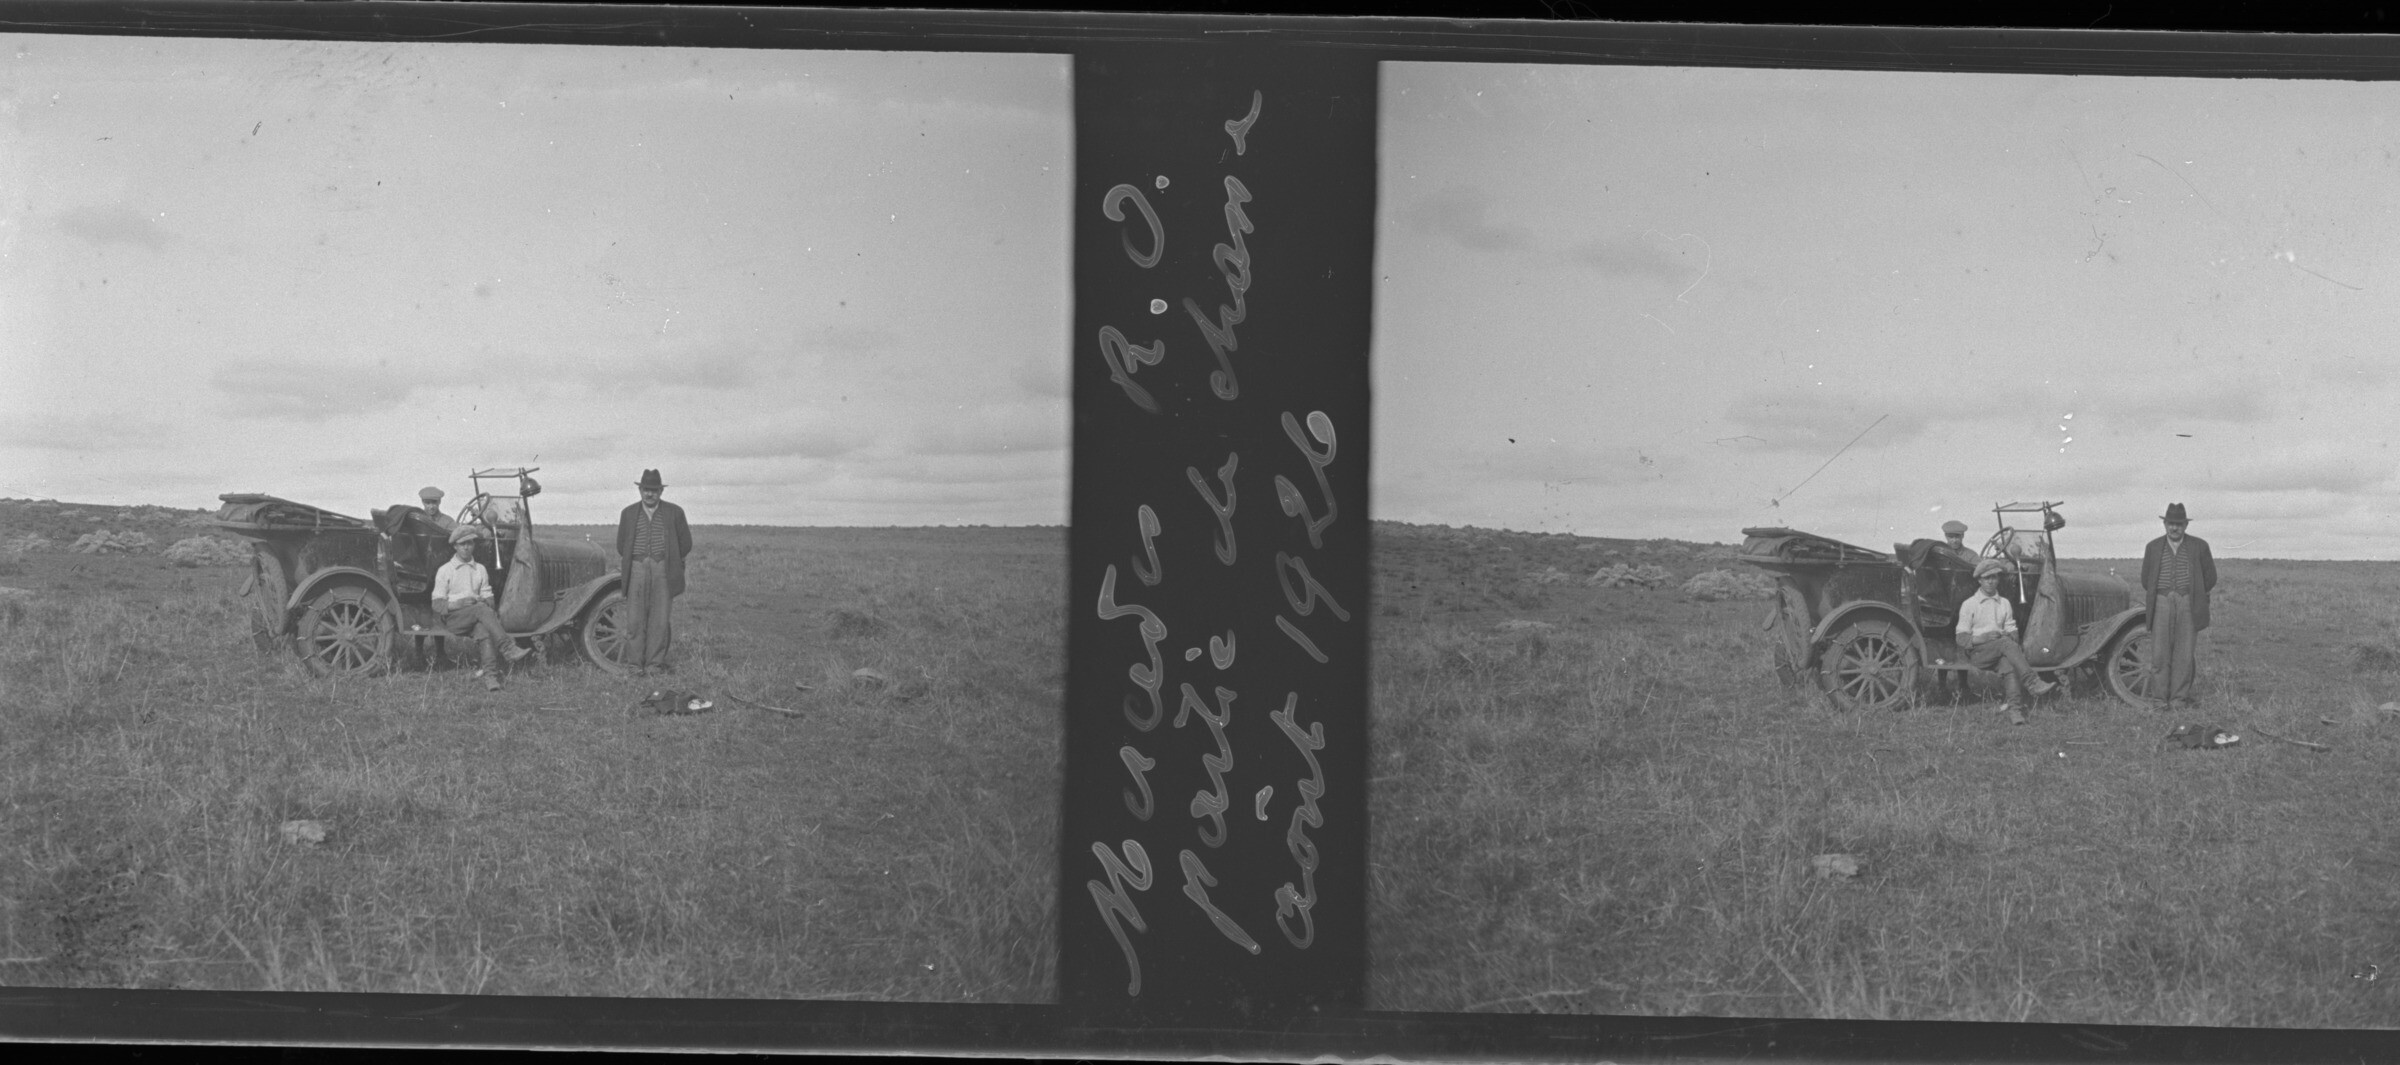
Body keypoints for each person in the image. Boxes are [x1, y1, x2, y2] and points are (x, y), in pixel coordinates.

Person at [1956, 558, 2057, 725]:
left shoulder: (2004, 603)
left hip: (2001, 650)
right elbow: (1961, 638)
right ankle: (2032, 682)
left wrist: (2012, 635)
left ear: (1998, 580)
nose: (1990, 582)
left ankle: (2015, 711)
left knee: (2008, 665)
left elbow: (2011, 629)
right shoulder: (1970, 604)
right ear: (1979, 580)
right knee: (2005, 644)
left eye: (1994, 577)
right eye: (1986, 578)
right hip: (1978, 653)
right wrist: (1983, 638)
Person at [2139, 502, 2217, 712]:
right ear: (2164, 524)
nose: (2175, 528)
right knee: (2159, 654)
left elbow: (2210, 577)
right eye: (2171, 524)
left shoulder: (2199, 546)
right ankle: (2159, 701)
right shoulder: (2153, 547)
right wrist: (2164, 594)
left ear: (2185, 526)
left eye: (2179, 524)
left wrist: (2193, 593)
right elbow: (2146, 580)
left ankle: (2178, 701)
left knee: (2184, 654)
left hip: (2188, 603)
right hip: (2161, 602)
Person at [615, 468, 693, 677]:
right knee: (634, 620)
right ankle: (634, 665)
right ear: (640, 490)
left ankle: (654, 665)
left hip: (663, 570)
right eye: (646, 490)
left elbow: (685, 543)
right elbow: (621, 545)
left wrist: (668, 560)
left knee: (659, 620)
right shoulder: (628, 513)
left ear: (661, 492)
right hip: (637, 568)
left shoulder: (675, 512)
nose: (650, 494)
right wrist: (639, 560)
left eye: (654, 490)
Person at [432, 525, 529, 691]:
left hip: (477, 616)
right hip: (454, 619)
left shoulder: (480, 569)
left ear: (474, 545)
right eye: (462, 544)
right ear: (455, 546)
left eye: (470, 543)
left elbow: (489, 599)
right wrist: (459, 603)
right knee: (481, 611)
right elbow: (437, 604)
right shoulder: (445, 570)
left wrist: (484, 602)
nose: (466, 547)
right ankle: (507, 647)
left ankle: (491, 677)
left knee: (483, 630)